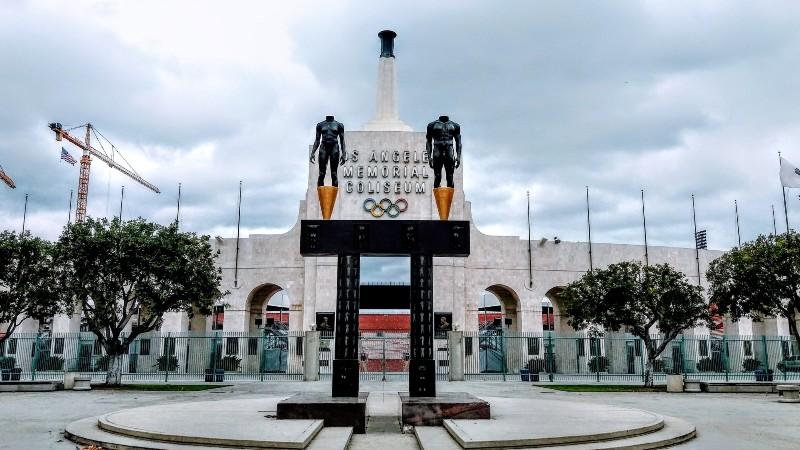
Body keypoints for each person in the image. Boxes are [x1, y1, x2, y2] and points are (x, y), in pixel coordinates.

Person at [426, 115, 462, 188]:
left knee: (450, 177)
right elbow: (428, 142)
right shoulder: (432, 125)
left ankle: (450, 199)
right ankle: (438, 199)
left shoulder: (455, 126)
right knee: (437, 176)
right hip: (437, 149)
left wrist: (458, 157)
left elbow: (458, 142)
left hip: (449, 149)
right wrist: (429, 157)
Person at [310, 116, 346, 187]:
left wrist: (344, 154)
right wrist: (313, 152)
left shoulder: (339, 125)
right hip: (323, 147)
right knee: (321, 173)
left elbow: (342, 140)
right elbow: (317, 140)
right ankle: (321, 197)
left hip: (334, 148)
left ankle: (333, 197)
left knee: (334, 174)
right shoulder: (320, 125)